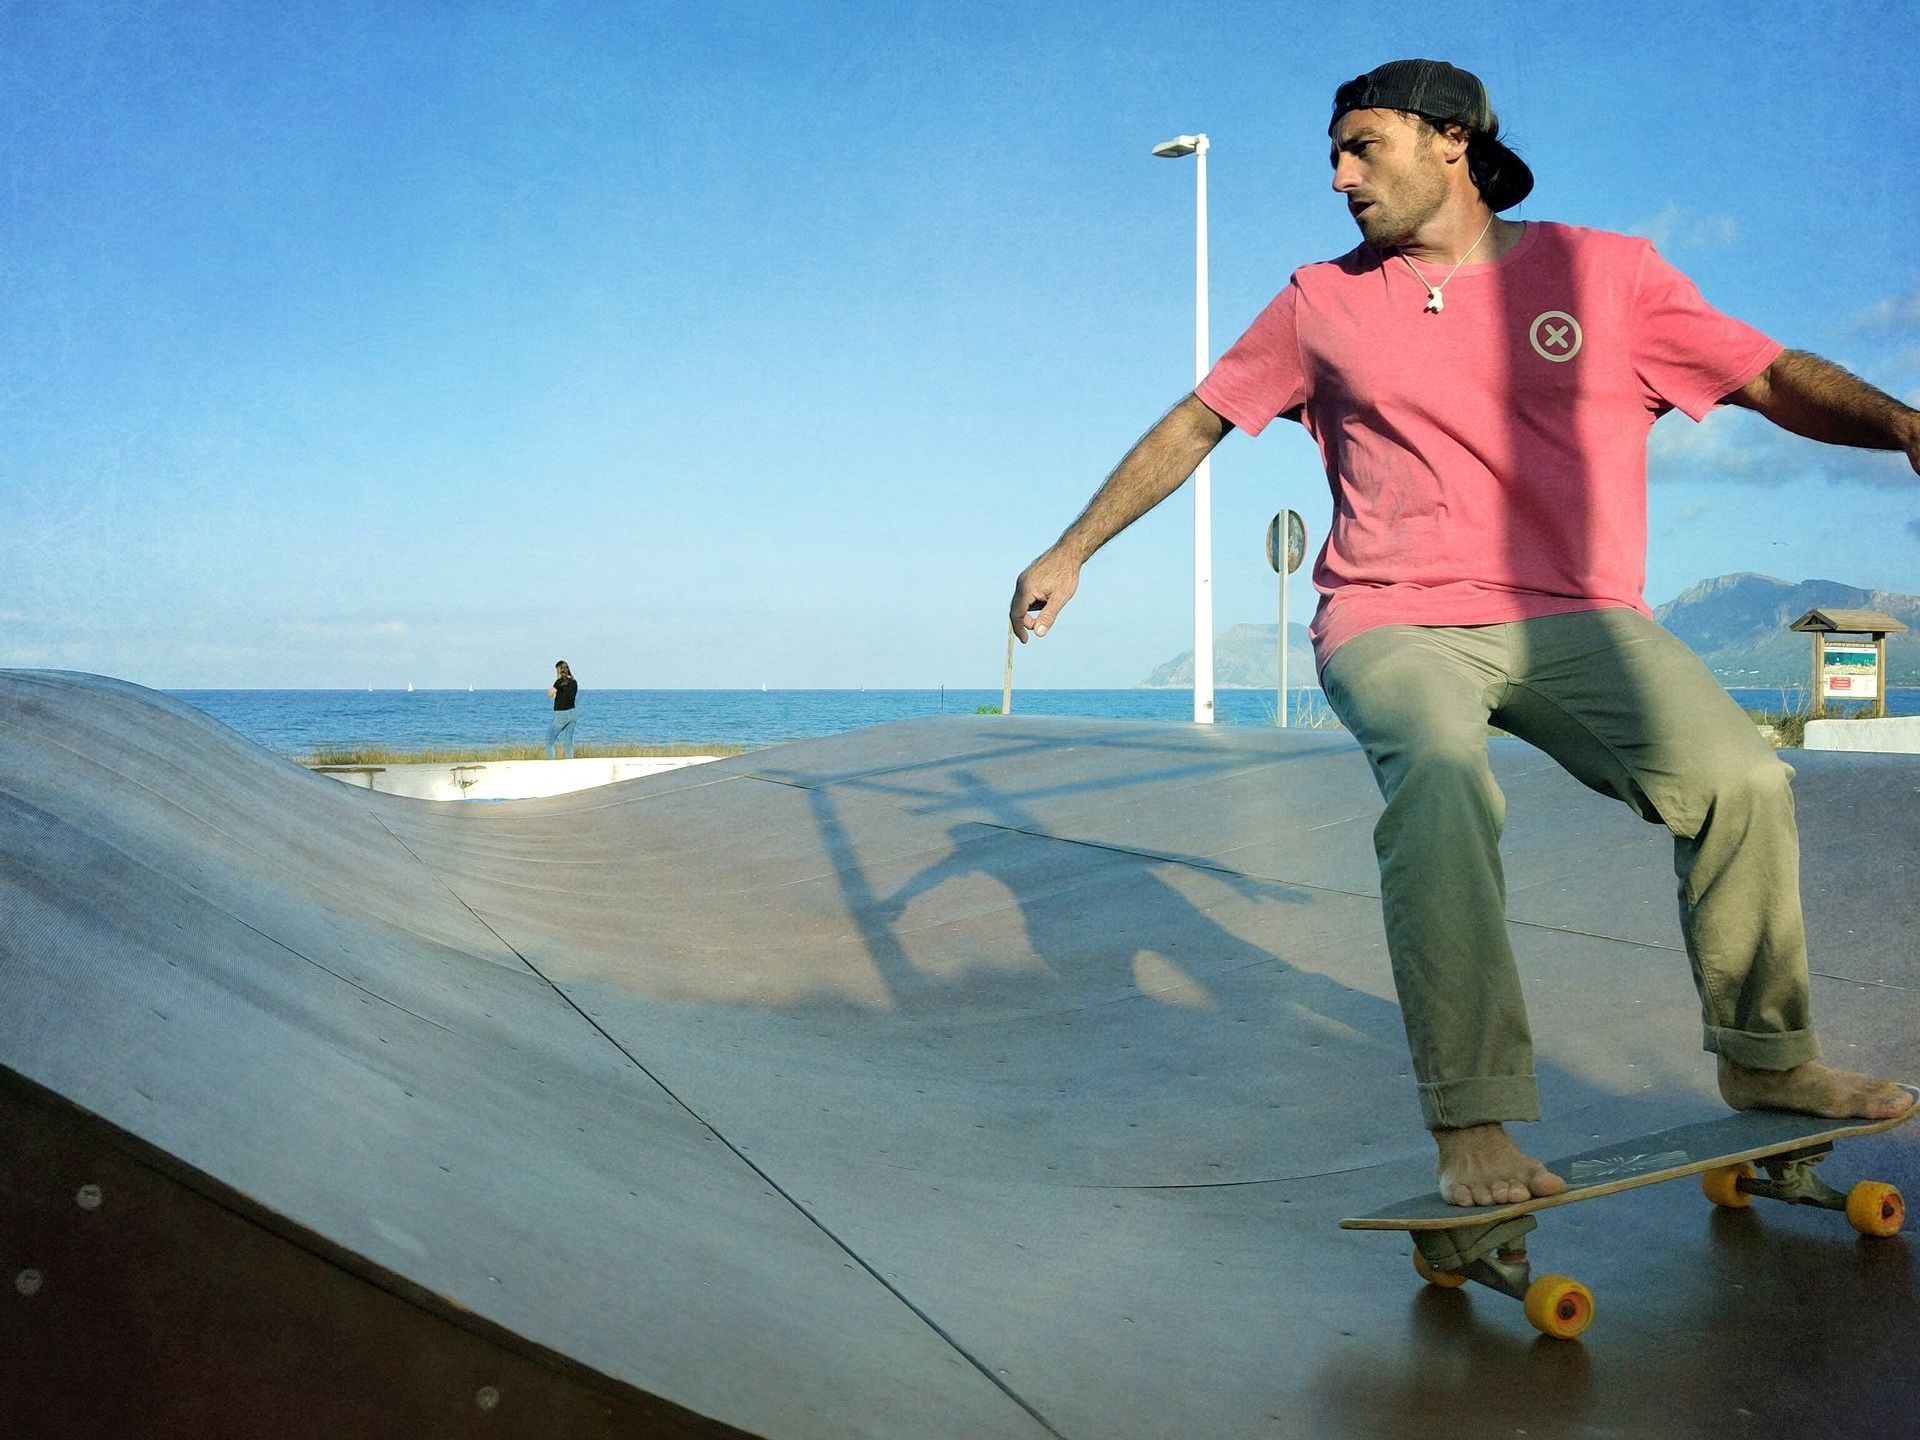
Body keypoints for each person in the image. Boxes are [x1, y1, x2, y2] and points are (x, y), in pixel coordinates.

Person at [1009, 59, 1918, 1207]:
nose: (1339, 178)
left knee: (1743, 780)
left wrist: (1901, 426)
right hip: (1392, 619)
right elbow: (1199, 420)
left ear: (1451, 142)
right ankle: (1474, 1120)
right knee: (1441, 780)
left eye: (1360, 148)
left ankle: (1768, 1060)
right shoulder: (1319, 302)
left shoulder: (1605, 275)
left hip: (1578, 617)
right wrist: (1073, 547)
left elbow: (1767, 376)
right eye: (1332, 159)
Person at [546, 660, 579, 759]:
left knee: (549, 741)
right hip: (572, 713)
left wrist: (555, 695)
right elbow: (567, 696)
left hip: (561, 714)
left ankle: (551, 762)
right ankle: (569, 762)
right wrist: (558, 695)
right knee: (568, 742)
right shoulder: (574, 682)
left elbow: (550, 693)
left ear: (559, 670)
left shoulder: (559, 682)